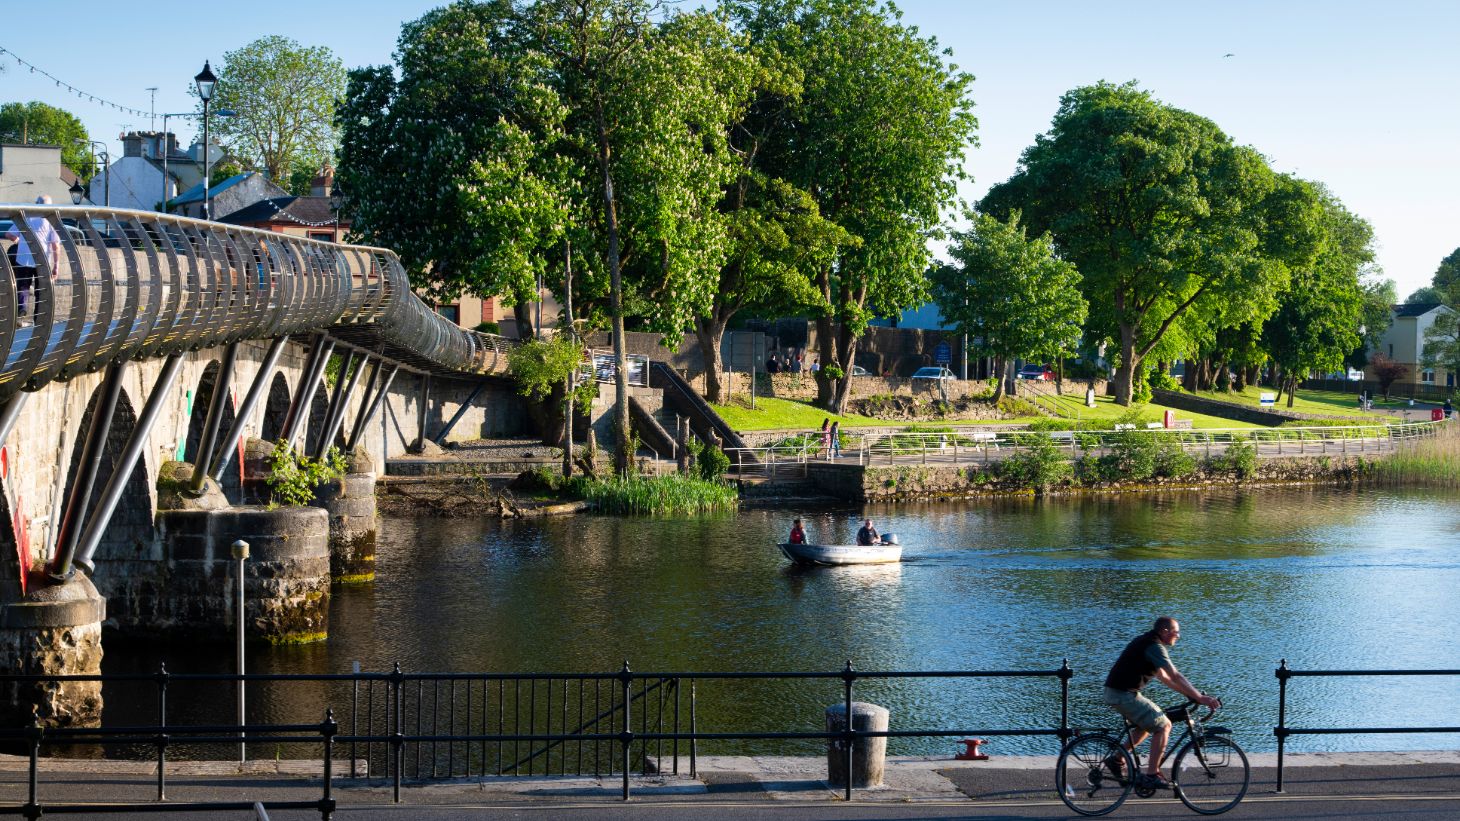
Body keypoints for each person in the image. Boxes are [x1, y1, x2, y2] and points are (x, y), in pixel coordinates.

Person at [1102, 617, 1220, 790]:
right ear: (1165, 631)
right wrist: (1200, 698)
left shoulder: (1148, 642)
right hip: (1122, 694)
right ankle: (1152, 775)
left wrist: (1192, 695)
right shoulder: (1154, 647)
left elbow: (1165, 679)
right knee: (1164, 725)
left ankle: (1117, 758)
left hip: (1118, 692)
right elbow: (1175, 676)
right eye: (1176, 632)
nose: (1178, 636)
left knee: (1150, 724)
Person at [4, 195, 62, 325]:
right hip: (43, 260)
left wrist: (18, 241)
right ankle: (38, 317)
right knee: (41, 289)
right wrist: (56, 265)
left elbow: (8, 234)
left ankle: (22, 309)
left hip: (24, 257)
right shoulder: (51, 221)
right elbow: (55, 245)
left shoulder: (25, 218)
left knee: (23, 285)